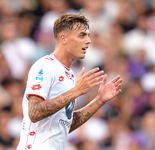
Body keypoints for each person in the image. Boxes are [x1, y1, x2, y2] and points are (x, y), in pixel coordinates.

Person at [16, 13, 122, 150]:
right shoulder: (45, 66)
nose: (88, 40)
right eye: (82, 35)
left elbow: (65, 124)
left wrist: (99, 100)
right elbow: (34, 112)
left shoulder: (70, 75)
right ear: (63, 39)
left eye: (88, 35)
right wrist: (76, 91)